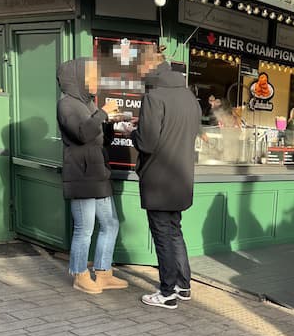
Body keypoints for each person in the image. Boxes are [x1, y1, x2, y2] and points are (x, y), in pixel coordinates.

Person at [131, 48, 202, 309]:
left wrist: (132, 132)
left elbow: (146, 143)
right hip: (181, 178)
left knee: (162, 235)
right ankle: (183, 286)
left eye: (139, 68)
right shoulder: (189, 96)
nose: (138, 74)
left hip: (159, 180)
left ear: (148, 66)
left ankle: (167, 293)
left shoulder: (154, 97)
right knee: (174, 232)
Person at [56, 58, 129, 294]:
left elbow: (100, 139)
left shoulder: (88, 104)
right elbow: (82, 134)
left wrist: (110, 123)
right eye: (92, 76)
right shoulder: (66, 105)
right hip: (81, 175)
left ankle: (104, 273)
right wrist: (103, 114)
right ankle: (80, 275)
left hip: (98, 174)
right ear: (78, 77)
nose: (97, 81)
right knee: (84, 229)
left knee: (110, 223)